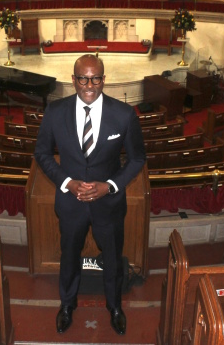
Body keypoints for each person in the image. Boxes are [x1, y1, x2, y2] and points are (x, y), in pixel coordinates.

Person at [34, 54, 146, 336]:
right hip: (71, 203)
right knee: (69, 255)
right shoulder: (55, 112)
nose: (89, 85)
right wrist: (67, 182)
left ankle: (115, 307)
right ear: (73, 80)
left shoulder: (123, 114)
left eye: (96, 78)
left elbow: (136, 159)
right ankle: (67, 305)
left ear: (103, 79)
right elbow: (42, 154)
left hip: (108, 204)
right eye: (83, 78)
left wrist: (109, 186)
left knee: (112, 256)